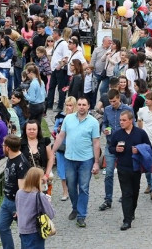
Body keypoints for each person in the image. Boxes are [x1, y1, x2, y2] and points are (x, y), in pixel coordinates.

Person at [51, 97, 100, 227]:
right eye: (79, 104)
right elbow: (61, 136)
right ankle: (75, 207)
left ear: (88, 106)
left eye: (84, 104)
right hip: (70, 158)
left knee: (84, 187)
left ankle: (81, 215)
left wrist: (96, 162)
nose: (81, 107)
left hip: (86, 160)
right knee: (71, 186)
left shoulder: (93, 122)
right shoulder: (68, 119)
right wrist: (53, 151)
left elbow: (96, 142)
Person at [109, 109, 151, 231]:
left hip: (136, 168)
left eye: (124, 120)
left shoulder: (140, 133)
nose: (121, 122)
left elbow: (149, 147)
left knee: (135, 192)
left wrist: (139, 149)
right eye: (120, 120)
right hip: (122, 167)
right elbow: (110, 148)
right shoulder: (117, 134)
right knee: (126, 193)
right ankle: (126, 220)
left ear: (131, 120)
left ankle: (131, 211)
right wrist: (116, 149)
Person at [99, 90, 134, 211]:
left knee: (124, 172)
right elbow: (104, 123)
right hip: (110, 145)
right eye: (110, 101)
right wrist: (104, 129)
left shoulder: (127, 110)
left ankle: (125, 195)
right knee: (109, 173)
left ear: (119, 98)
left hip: (124, 146)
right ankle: (108, 199)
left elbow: (133, 126)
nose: (112, 104)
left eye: (114, 101)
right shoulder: (107, 110)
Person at [0, 134, 30, 249]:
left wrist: (20, 209)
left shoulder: (22, 164)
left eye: (3, 145)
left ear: (7, 148)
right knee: (2, 227)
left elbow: (22, 189)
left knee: (23, 232)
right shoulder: (10, 158)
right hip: (7, 200)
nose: (2, 147)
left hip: (16, 203)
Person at [16, 167, 55, 248]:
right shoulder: (39, 196)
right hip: (34, 231)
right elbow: (51, 214)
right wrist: (48, 202)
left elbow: (18, 209)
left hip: (22, 230)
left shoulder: (19, 193)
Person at [54, 97, 75, 202]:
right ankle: (65, 191)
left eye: (70, 105)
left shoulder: (77, 117)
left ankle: (73, 190)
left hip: (73, 147)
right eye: (67, 105)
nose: (68, 107)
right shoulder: (61, 116)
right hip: (61, 146)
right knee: (62, 169)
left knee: (73, 169)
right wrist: (58, 129)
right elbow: (55, 128)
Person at [20, 120, 53, 188]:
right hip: (26, 178)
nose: (32, 131)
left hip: (42, 177)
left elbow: (50, 158)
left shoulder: (45, 141)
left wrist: (46, 175)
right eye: (29, 129)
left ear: (38, 130)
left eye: (34, 129)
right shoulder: (20, 143)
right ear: (25, 130)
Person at [46, 28, 70, 113]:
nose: (52, 35)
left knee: (61, 88)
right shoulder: (56, 43)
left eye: (53, 33)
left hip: (60, 69)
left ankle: (60, 106)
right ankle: (49, 104)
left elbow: (66, 57)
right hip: (54, 69)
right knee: (51, 87)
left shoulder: (63, 44)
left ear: (57, 34)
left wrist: (60, 66)